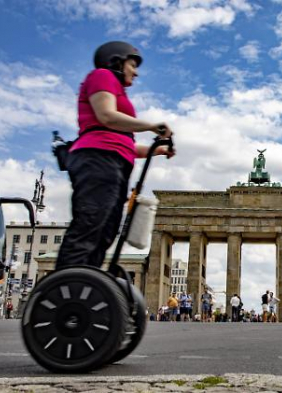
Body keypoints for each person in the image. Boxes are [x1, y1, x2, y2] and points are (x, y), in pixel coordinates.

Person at [55, 41, 174, 271]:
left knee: (105, 230)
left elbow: (125, 142)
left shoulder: (118, 90)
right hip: (97, 158)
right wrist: (152, 127)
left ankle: (84, 284)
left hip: (114, 162)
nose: (136, 72)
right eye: (132, 65)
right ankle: (63, 289)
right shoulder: (102, 75)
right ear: (116, 61)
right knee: (90, 223)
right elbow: (106, 116)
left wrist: (156, 150)